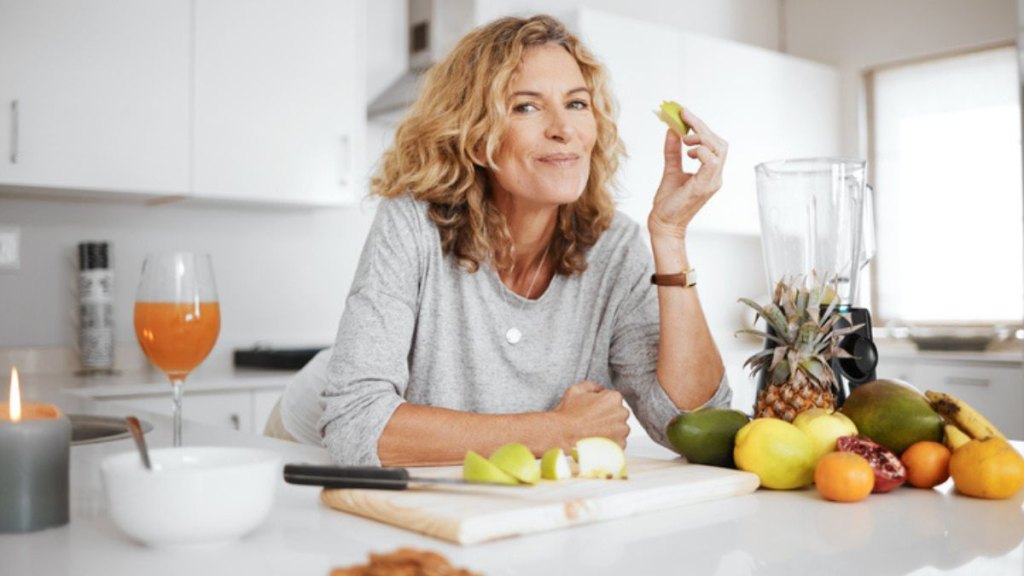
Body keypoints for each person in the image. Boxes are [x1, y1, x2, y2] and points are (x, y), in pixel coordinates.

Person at [307, 14, 730, 466]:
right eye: (526, 107)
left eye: (577, 103)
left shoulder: (615, 247)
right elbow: (354, 424)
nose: (563, 129)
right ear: (474, 138)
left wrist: (670, 236)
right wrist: (557, 430)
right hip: (308, 441)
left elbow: (697, 426)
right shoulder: (412, 222)